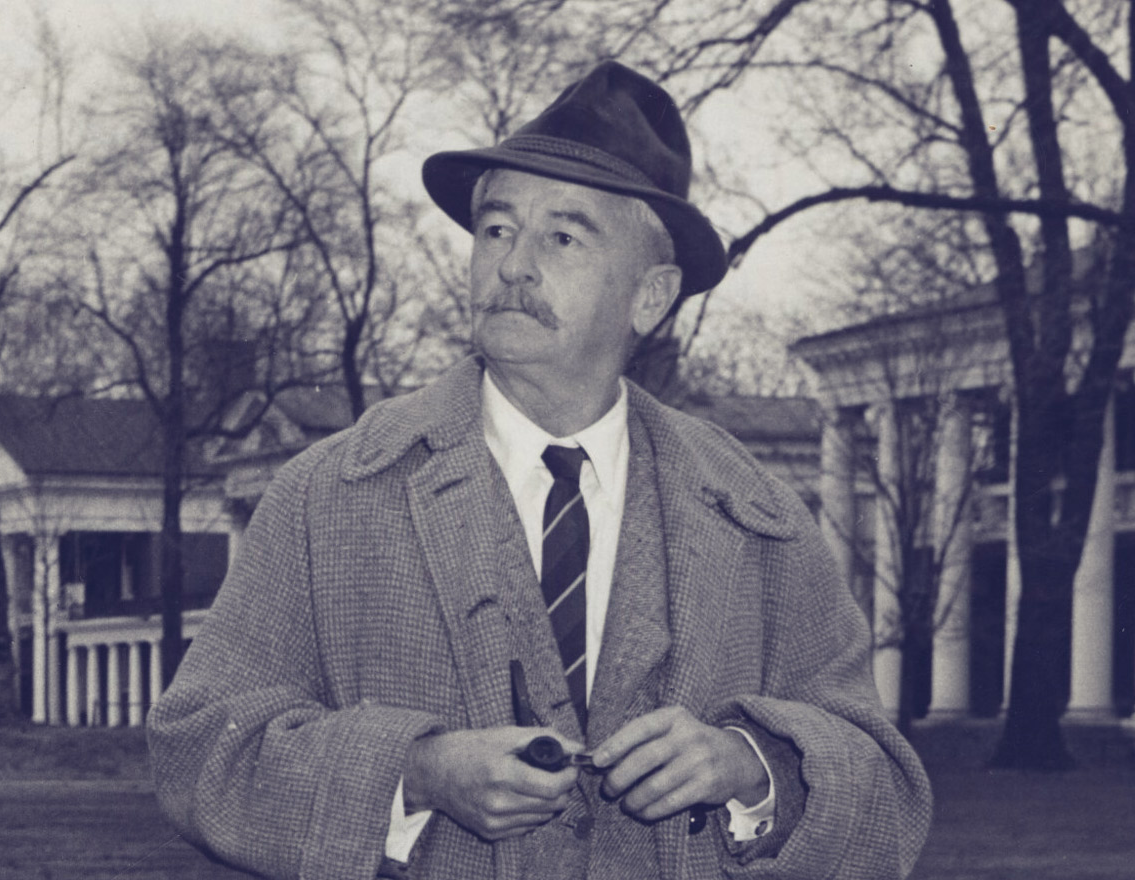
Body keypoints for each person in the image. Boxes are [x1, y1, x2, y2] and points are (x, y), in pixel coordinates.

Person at [147, 61, 931, 879]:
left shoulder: (755, 520)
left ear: (651, 296)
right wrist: (413, 774)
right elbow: (199, 748)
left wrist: (747, 764)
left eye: (562, 235)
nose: (514, 264)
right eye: (496, 228)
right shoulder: (329, 498)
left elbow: (888, 791)